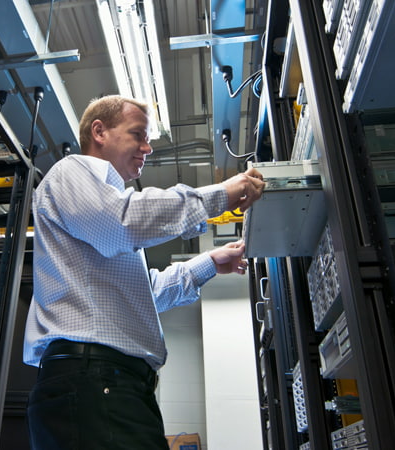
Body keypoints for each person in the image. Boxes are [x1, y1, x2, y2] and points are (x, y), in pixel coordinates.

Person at [23, 95, 265, 449]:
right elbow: (125, 221)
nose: (148, 148)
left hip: (109, 382)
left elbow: (144, 293)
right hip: (94, 381)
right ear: (99, 131)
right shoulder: (71, 173)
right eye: (138, 134)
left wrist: (209, 263)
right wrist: (221, 196)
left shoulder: (101, 207)